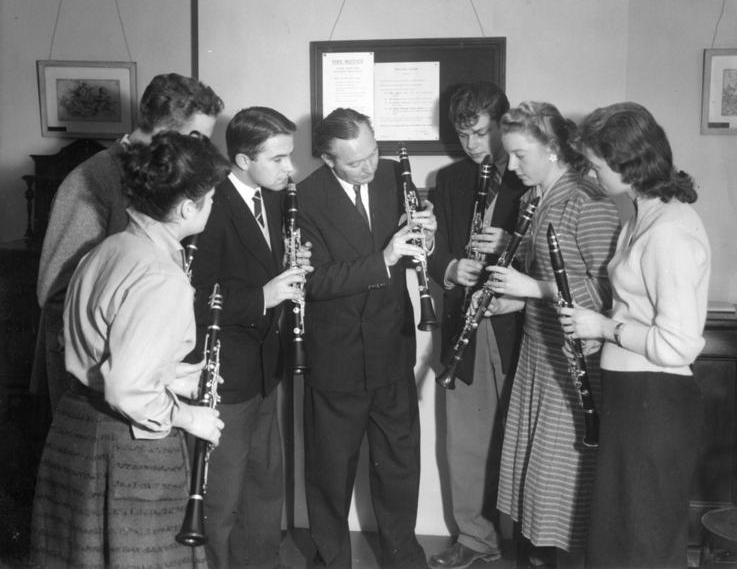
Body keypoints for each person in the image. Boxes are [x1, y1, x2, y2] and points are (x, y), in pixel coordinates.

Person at [30, 131, 230, 568]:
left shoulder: (109, 248)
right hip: (129, 449)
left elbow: (97, 348)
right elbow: (125, 391)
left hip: (75, 432)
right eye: (211, 198)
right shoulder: (161, 275)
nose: (213, 207)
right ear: (185, 208)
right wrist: (187, 415)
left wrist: (175, 375)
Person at [558, 102, 710, 568]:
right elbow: (638, 312)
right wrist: (600, 333)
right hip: (632, 399)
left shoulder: (669, 233)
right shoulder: (639, 217)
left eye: (598, 166)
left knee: (644, 539)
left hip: (654, 402)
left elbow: (679, 344)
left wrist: (605, 328)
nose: (593, 174)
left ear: (627, 165)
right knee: (620, 535)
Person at [33, 72, 224, 413]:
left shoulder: (161, 177)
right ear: (165, 130)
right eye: (197, 138)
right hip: (95, 390)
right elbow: (54, 293)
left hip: (136, 372)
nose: (201, 151)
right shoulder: (89, 181)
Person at [296, 107, 436, 569]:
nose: (370, 167)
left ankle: (404, 554)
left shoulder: (395, 175)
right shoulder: (303, 197)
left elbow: (417, 246)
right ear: (327, 158)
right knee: (330, 474)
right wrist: (386, 257)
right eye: (356, 162)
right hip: (336, 358)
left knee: (399, 465)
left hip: (392, 348)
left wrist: (427, 237)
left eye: (373, 153)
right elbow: (312, 283)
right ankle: (332, 559)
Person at [483, 101, 620, 567]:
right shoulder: (531, 199)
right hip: (539, 353)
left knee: (563, 484)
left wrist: (532, 288)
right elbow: (553, 282)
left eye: (521, 154)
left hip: (574, 361)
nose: (513, 166)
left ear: (555, 148)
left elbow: (607, 293)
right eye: (509, 155)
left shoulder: (589, 200)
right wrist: (518, 299)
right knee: (536, 480)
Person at [188, 106, 311, 569]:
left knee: (264, 485)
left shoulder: (277, 199)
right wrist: (263, 294)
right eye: (278, 159)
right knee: (220, 495)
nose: (291, 168)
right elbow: (194, 296)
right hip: (225, 373)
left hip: (266, 367)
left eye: (290, 156)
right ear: (242, 160)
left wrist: (298, 268)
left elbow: (268, 262)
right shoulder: (207, 205)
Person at [426, 82, 528, 569]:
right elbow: (435, 248)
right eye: (463, 135)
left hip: (520, 325)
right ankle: (475, 538)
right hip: (467, 322)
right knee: (466, 440)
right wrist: (449, 267)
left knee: (529, 436)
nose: (471, 146)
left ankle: (533, 543)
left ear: (503, 126)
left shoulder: (533, 175)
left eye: (481, 134)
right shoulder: (448, 181)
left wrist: (509, 242)